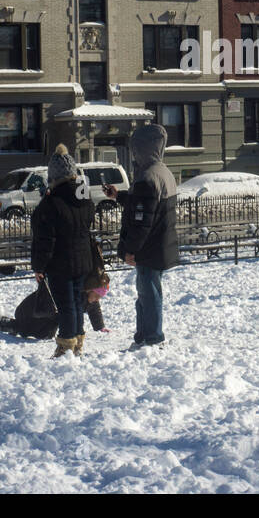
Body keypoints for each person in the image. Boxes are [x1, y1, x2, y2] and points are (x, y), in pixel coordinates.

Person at [103, 124, 178, 350]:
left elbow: (142, 221)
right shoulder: (163, 171)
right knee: (148, 292)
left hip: (148, 248)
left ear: (143, 148)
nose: (133, 153)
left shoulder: (147, 177)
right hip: (160, 245)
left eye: (135, 148)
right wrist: (120, 196)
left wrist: (130, 250)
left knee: (148, 294)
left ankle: (152, 338)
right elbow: (146, 206)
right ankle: (145, 335)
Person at [30, 144, 96, 357]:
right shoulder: (84, 197)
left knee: (66, 305)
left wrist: (38, 266)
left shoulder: (50, 204)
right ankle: (77, 342)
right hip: (83, 260)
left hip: (61, 263)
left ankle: (67, 345)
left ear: (53, 177)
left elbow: (44, 241)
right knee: (76, 303)